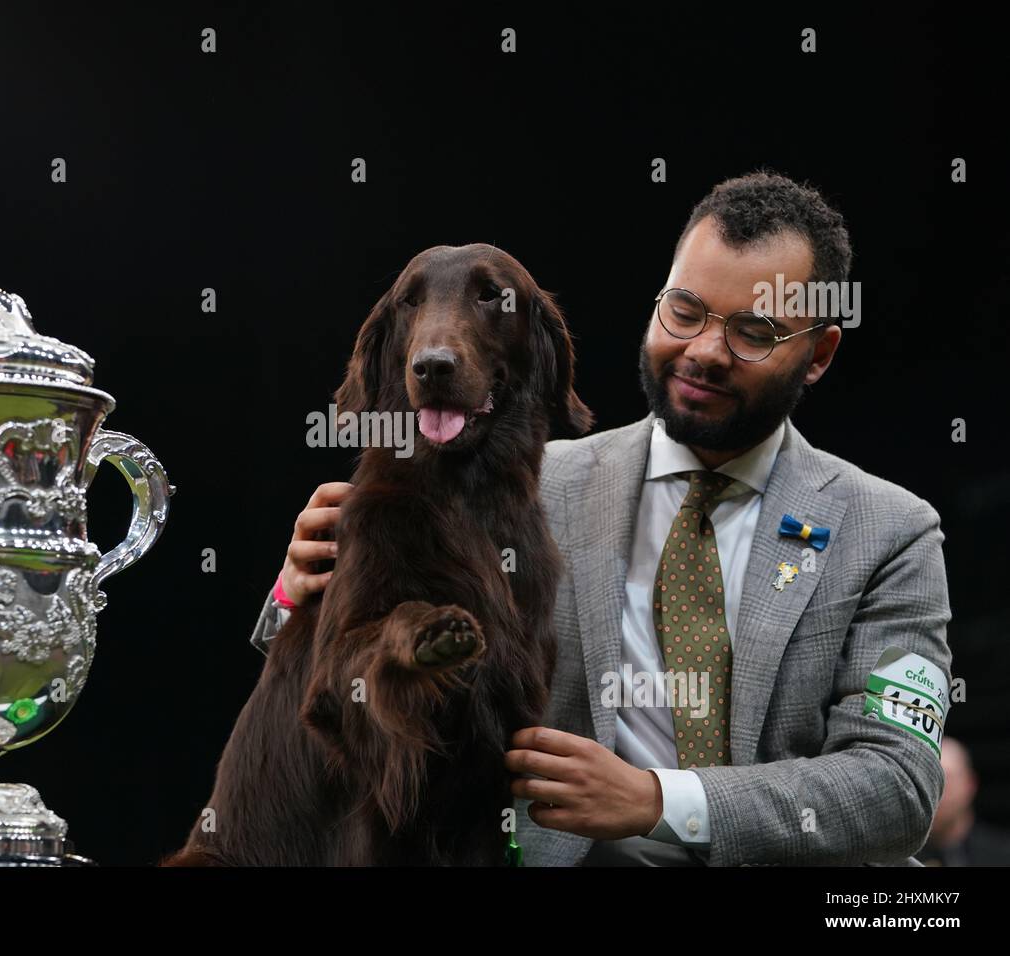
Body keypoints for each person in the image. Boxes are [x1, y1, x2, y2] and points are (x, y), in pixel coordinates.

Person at [250, 172, 952, 866]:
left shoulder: (890, 532)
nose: (703, 351)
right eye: (685, 311)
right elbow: (361, 690)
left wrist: (658, 800)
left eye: (753, 332)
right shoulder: (526, 489)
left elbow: (897, 786)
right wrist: (296, 600)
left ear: (819, 354)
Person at [918, 737, 1010, 865]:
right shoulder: (896, 857)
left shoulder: (1002, 855)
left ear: (970, 784)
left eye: (947, 780)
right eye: (928, 780)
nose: (937, 791)